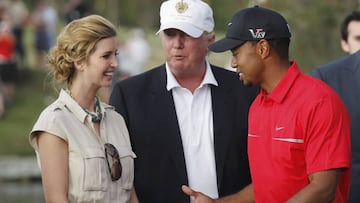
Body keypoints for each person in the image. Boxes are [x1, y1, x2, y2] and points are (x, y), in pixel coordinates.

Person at [182, 6, 352, 202]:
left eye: (236, 53)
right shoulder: (257, 106)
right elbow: (266, 185)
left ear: (262, 48)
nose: (234, 63)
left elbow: (323, 189)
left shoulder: (319, 102)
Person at [109, 0, 259, 202]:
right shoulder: (130, 95)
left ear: (210, 41)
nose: (177, 44)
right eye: (170, 34)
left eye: (187, 34)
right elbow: (117, 173)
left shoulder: (246, 90)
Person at [29, 15, 137, 203]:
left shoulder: (116, 120)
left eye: (115, 55)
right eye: (106, 56)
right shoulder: (54, 123)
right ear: (79, 61)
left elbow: (130, 196)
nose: (115, 64)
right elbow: (57, 199)